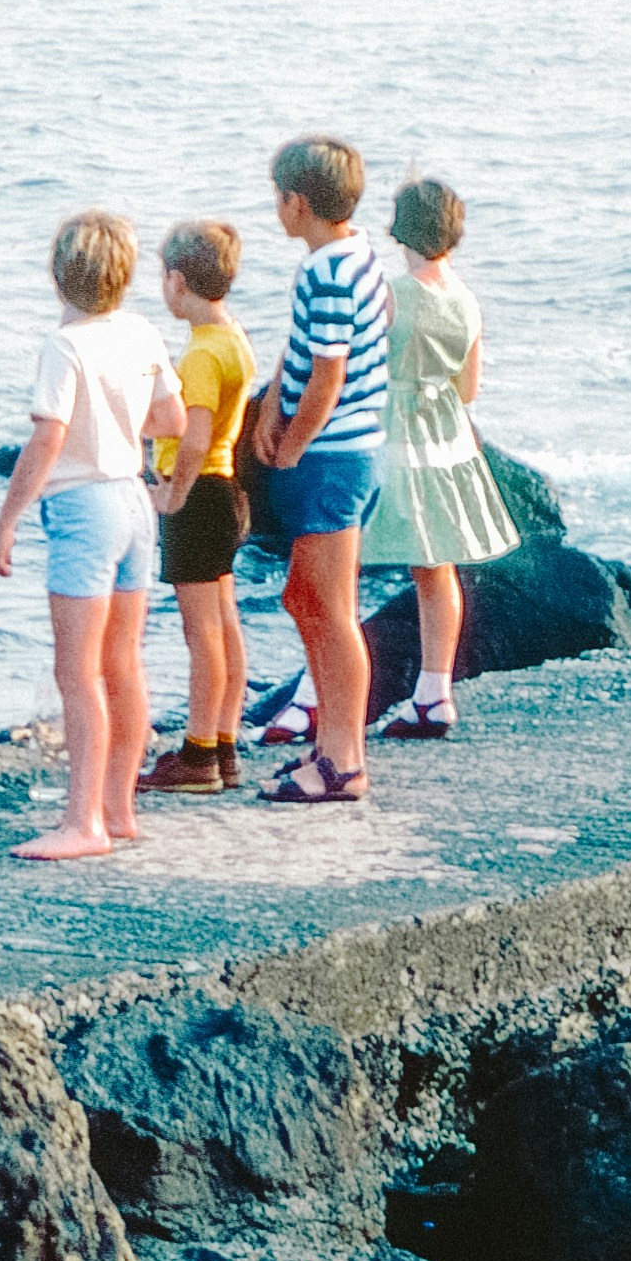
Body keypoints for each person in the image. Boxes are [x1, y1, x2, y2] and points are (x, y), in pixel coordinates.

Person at [0, 210, 185, 861]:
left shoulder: (64, 346)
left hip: (83, 510)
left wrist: (8, 517)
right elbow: (171, 417)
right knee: (123, 665)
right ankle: (117, 809)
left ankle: (81, 823)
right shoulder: (141, 332)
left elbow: (48, 436)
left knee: (76, 673)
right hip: (132, 502)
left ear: (57, 276)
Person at [249, 133, 393, 805]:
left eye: (278, 198)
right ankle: (329, 742)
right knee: (302, 598)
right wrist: (271, 406)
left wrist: (293, 442)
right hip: (346, 449)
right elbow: (302, 350)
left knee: (329, 609)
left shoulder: (325, 272)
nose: (274, 210)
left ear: (297, 202)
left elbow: (328, 373)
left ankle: (342, 758)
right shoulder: (354, 257)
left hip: (334, 454)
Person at [360, 175, 520, 739]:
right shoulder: (466, 300)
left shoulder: (394, 295)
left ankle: (316, 695)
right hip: (444, 437)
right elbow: (468, 387)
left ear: (399, 229)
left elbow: (364, 367)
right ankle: (435, 691)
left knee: (344, 560)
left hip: (390, 434)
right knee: (435, 566)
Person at [140, 219, 255, 793]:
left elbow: (194, 436)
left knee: (200, 632)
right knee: (225, 623)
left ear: (177, 280)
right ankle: (226, 742)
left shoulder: (201, 356)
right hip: (228, 489)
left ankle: (199, 752)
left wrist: (171, 496)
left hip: (200, 492)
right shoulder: (232, 338)